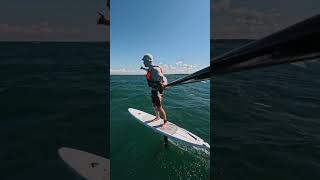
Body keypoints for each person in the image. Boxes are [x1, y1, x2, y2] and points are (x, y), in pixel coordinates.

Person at [140, 53, 168, 129]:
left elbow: (163, 77)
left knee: (159, 107)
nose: (143, 62)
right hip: (153, 90)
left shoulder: (155, 69)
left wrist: (165, 84)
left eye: (144, 61)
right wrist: (143, 68)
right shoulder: (150, 68)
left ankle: (165, 122)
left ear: (147, 61)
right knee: (154, 106)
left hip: (158, 91)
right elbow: (149, 70)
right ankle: (157, 117)